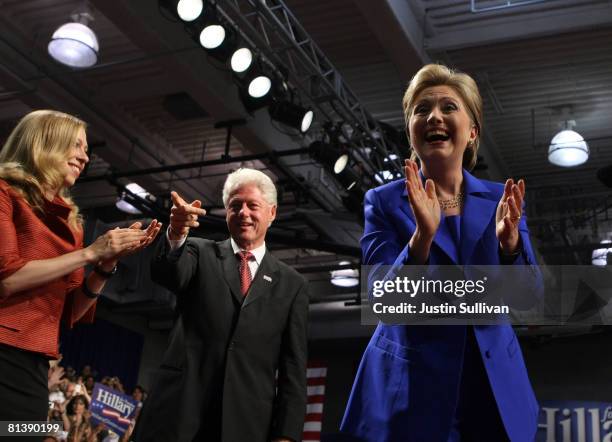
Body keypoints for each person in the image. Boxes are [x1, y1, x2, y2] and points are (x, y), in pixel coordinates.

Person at [340, 64, 543, 441]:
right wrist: (421, 238)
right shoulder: (382, 202)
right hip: (412, 391)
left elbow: (531, 298)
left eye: (449, 107)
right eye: (422, 109)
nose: (434, 115)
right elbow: (382, 301)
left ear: (472, 132)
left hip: (493, 387)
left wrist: (510, 244)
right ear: (411, 132)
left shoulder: (502, 199)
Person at [0, 110, 161, 430]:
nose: (85, 157)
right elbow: (6, 280)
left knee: (26, 435)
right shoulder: (4, 194)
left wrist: (106, 264)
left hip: (36, 366)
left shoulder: (72, 224)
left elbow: (71, 312)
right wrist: (90, 253)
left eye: (86, 149)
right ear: (44, 143)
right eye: (76, 145)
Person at [134, 168, 309, 442]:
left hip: (245, 425)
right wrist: (177, 232)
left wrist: (286, 435)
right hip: (177, 416)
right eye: (235, 206)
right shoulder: (198, 251)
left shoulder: (292, 284)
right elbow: (169, 273)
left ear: (272, 213)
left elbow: (293, 369)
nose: (243, 213)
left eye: (253, 206)